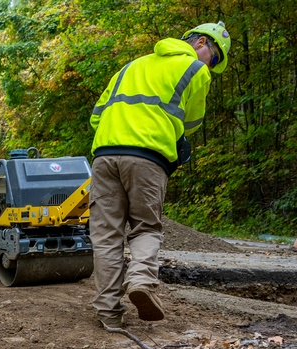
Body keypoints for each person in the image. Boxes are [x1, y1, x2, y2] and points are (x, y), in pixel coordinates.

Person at [89, 22, 230, 330]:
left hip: (104, 155)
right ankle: (140, 281)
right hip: (149, 157)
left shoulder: (131, 66)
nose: (212, 64)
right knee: (146, 228)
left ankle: (109, 313)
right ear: (202, 42)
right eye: (215, 57)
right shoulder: (196, 70)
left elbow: (96, 115)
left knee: (106, 236)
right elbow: (191, 122)